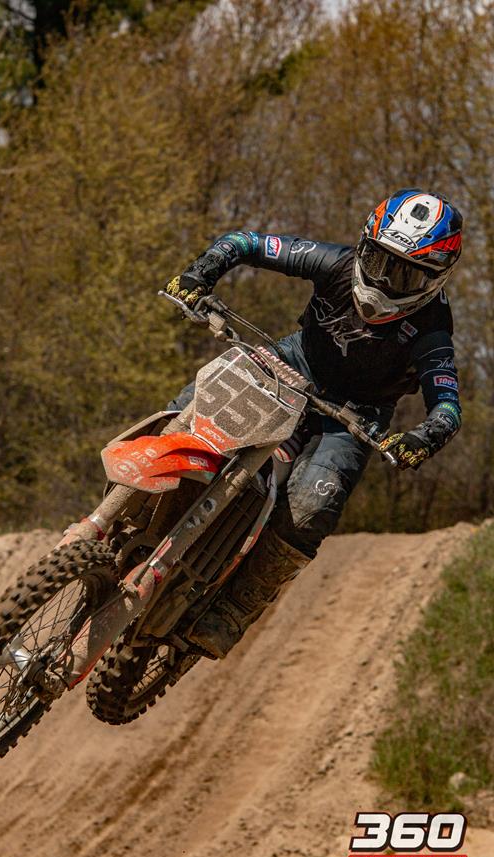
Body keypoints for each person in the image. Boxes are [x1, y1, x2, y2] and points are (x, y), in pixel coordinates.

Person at [164, 189, 463, 659]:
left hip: (356, 416)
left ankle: (234, 609)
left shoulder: (432, 328)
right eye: (378, 261)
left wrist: (422, 437)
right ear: (363, 244)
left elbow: (447, 405)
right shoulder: (335, 263)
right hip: (292, 363)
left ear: (435, 277)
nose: (384, 280)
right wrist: (199, 275)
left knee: (309, 509)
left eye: (404, 273)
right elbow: (244, 242)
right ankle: (133, 498)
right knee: (198, 401)